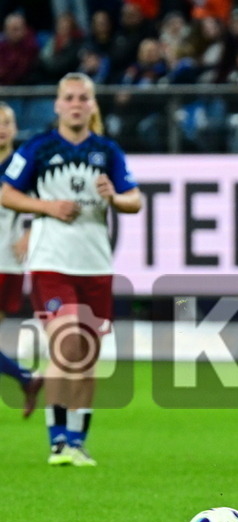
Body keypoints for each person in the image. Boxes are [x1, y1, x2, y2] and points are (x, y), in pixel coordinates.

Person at [0, 72, 142, 466]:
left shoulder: (107, 151)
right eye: (69, 97)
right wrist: (47, 207)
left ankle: (77, 439)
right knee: (66, 345)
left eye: (83, 97)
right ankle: (58, 441)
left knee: (88, 356)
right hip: (51, 264)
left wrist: (115, 197)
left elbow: (135, 200)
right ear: (58, 105)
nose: (76, 103)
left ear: (92, 104)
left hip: (95, 264)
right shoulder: (39, 148)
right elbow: (7, 193)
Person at [0, 101, 42, 417]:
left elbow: (45, 201)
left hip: (6, 261)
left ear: (15, 129)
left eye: (6, 122)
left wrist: (30, 231)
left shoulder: (23, 164)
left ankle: (25, 377)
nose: (1, 128)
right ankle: (25, 377)